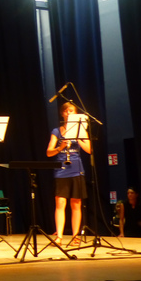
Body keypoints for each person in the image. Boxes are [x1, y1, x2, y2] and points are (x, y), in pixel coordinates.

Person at [46, 102, 91, 246]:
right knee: (60, 202)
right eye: (66, 111)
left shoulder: (81, 130)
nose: (68, 113)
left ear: (76, 114)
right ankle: (59, 236)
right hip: (61, 170)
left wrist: (78, 139)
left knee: (76, 203)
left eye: (71, 111)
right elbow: (49, 152)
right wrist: (60, 147)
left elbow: (89, 150)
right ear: (62, 113)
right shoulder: (56, 131)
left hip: (77, 169)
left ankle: (76, 236)